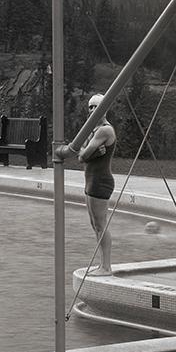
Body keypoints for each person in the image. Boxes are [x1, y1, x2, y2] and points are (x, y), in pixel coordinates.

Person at [79, 93, 117, 275]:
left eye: (97, 106)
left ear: (105, 109)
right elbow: (80, 154)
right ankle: (102, 264)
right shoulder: (92, 129)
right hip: (91, 181)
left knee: (101, 224)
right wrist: (89, 152)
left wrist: (87, 152)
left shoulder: (104, 130)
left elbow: (84, 155)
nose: (93, 110)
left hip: (100, 182)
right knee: (95, 225)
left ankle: (106, 267)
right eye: (91, 107)